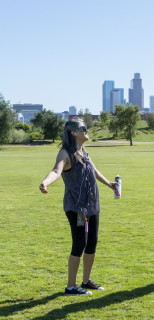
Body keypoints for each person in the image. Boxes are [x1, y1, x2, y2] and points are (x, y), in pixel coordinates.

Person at [39, 118, 118, 295]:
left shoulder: (83, 151)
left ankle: (86, 281)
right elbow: (56, 171)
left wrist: (109, 184)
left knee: (92, 243)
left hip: (91, 205)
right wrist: (45, 183)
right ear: (74, 132)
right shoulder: (65, 153)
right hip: (78, 208)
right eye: (84, 128)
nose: (87, 130)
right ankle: (70, 286)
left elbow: (93, 170)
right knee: (80, 243)